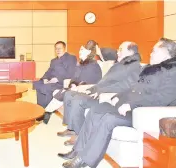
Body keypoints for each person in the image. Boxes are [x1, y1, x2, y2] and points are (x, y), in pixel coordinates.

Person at [58, 38, 176, 168]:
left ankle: (84, 160)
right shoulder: (151, 68)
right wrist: (118, 97)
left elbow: (161, 99)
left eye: (154, 51)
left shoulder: (172, 73)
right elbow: (132, 88)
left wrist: (131, 105)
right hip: (130, 107)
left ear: (165, 54)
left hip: (143, 113)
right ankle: (78, 151)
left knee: (108, 119)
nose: (150, 54)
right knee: (96, 110)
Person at [59, 42, 142, 146]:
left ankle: (79, 135)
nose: (117, 52)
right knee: (70, 94)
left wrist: (102, 91)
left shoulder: (134, 66)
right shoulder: (120, 64)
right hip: (98, 93)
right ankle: (72, 128)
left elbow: (127, 86)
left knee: (77, 100)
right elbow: (102, 83)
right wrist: (90, 89)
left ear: (130, 52)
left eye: (121, 49)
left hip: (106, 98)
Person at [41, 40, 102, 124]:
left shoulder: (93, 65)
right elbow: (74, 78)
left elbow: (90, 82)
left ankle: (47, 112)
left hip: (88, 91)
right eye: (80, 50)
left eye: (82, 50)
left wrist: (76, 87)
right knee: (61, 92)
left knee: (63, 92)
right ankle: (47, 112)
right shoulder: (81, 64)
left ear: (88, 53)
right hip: (77, 88)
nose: (79, 52)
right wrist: (73, 84)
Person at [33, 41, 77, 109]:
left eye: (60, 48)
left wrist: (57, 79)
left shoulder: (71, 58)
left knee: (45, 88)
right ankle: (40, 108)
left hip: (62, 82)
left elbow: (71, 73)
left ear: (65, 48)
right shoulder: (53, 60)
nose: (58, 50)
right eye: (56, 48)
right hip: (52, 81)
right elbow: (49, 71)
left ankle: (47, 112)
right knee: (38, 84)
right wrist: (45, 78)